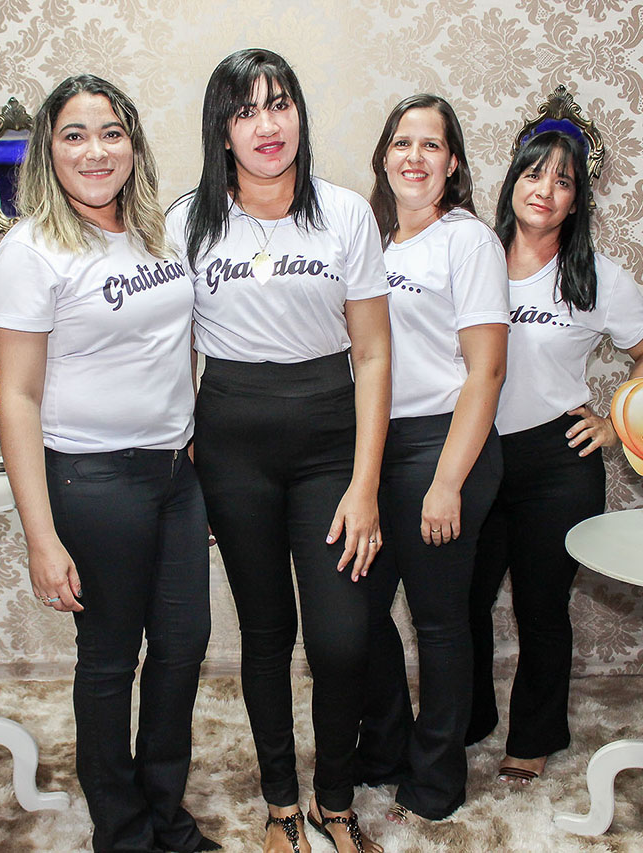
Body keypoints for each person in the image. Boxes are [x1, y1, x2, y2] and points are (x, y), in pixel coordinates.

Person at [165, 48, 391, 853]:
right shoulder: (186, 221)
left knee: (341, 636)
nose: (267, 124)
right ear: (222, 130)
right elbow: (174, 350)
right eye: (245, 110)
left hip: (331, 438)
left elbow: (374, 355)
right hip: (234, 442)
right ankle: (281, 803)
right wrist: (186, 452)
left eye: (279, 103)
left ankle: (337, 799)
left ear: (299, 113)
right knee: (265, 633)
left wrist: (366, 483)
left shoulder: (346, 214)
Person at [0, 74, 217, 853]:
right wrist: (40, 536)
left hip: (175, 477)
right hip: (92, 481)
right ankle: (121, 832)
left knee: (183, 646)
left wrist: (189, 430)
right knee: (111, 660)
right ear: (49, 151)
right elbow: (17, 397)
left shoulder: (161, 234)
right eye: (75, 135)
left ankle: (165, 813)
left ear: (134, 145)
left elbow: (180, 340)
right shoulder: (31, 250)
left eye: (111, 132)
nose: (96, 151)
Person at [466, 129, 643, 785]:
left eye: (563, 181)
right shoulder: (472, 257)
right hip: (471, 455)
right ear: (513, 183)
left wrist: (616, 423)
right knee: (462, 602)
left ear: (577, 200)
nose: (545, 191)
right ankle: (468, 718)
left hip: (555, 464)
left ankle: (533, 736)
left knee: (541, 608)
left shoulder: (598, 277)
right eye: (534, 175)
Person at [353, 94, 509, 824]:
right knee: (356, 611)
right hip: (372, 448)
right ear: (384, 156)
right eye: (402, 142)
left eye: (431, 144)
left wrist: (447, 481)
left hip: (442, 445)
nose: (414, 157)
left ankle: (438, 777)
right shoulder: (370, 240)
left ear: (452, 163)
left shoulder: (467, 242)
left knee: (439, 622)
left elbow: (487, 371)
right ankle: (386, 747)